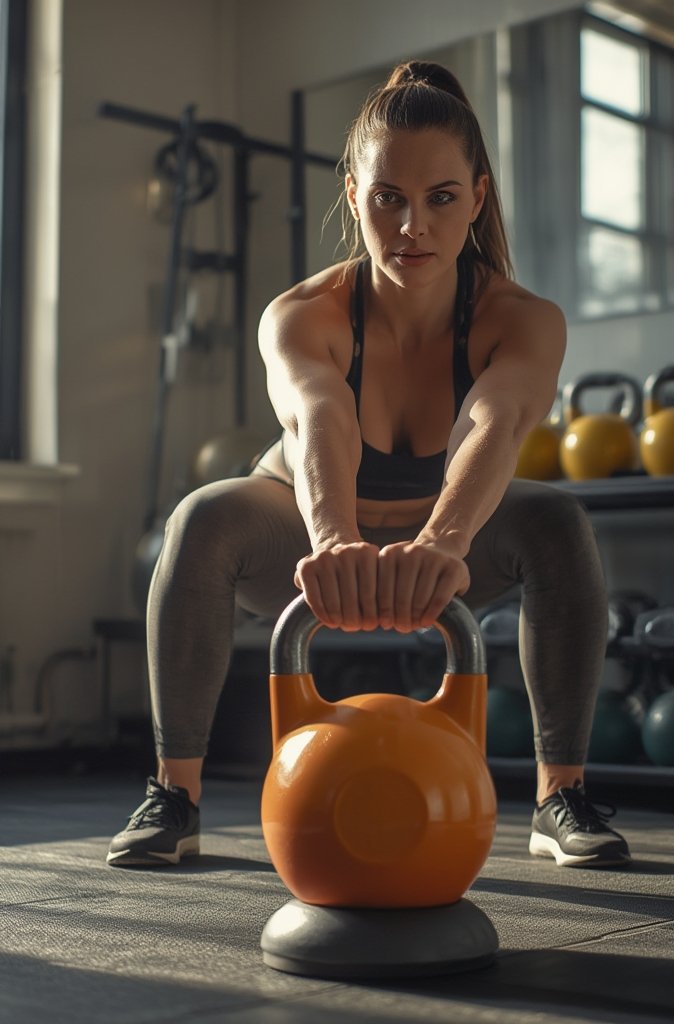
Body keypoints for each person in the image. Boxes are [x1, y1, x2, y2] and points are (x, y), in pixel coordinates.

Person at [108, 60, 630, 870]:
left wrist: (444, 543)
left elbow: (495, 424)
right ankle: (174, 796)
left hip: (446, 549)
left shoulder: (523, 319)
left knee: (559, 522)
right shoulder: (301, 313)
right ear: (354, 195)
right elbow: (321, 417)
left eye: (440, 198)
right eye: (388, 197)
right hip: (302, 539)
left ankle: (559, 797)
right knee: (201, 517)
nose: (412, 225)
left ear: (477, 198)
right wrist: (334, 541)